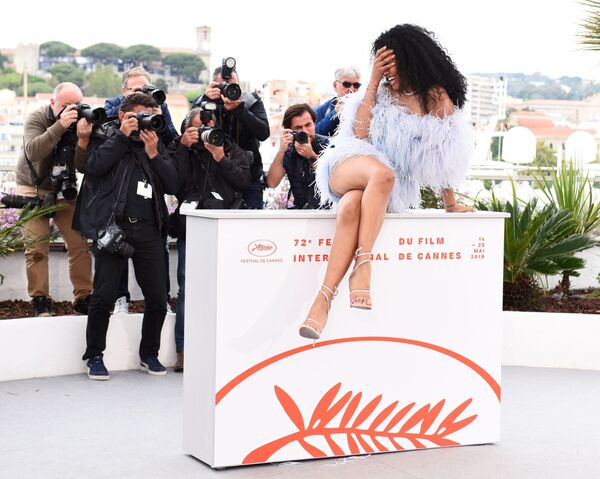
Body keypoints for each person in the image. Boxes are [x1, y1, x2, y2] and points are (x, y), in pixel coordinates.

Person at [299, 24, 475, 340]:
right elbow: (360, 134)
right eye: (383, 65)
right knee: (381, 173)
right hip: (348, 162)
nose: (389, 73)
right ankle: (363, 266)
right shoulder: (378, 92)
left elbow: (439, 155)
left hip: (380, 189)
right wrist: (374, 82)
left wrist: (451, 203)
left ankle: (321, 301)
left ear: (413, 60)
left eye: (393, 65)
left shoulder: (436, 97)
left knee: (352, 206)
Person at [74, 93, 177, 380]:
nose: (145, 120)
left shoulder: (154, 140)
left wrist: (155, 153)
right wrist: (122, 135)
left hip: (149, 230)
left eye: (149, 114)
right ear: (123, 115)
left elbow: (172, 184)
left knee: (157, 297)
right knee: (104, 296)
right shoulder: (105, 134)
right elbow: (93, 167)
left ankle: (149, 354)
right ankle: (94, 355)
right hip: (114, 229)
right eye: (139, 115)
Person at [168, 106, 252, 372]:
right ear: (187, 130)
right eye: (198, 128)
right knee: (187, 290)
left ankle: (224, 349)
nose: (205, 132)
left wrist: (220, 158)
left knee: (227, 289)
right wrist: (183, 148)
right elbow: (173, 185)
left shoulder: (227, 147)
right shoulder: (180, 148)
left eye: (209, 126)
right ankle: (184, 350)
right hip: (190, 227)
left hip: (223, 227)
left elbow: (243, 181)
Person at [14, 82, 93, 317]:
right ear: (52, 103)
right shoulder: (37, 118)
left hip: (63, 189)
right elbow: (33, 151)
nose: (71, 109)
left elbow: (82, 166)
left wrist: (83, 140)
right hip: (31, 187)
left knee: (78, 244)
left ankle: (84, 296)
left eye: (75, 105)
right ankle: (40, 299)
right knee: (36, 245)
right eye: (65, 105)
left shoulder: (82, 120)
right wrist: (60, 126)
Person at [104, 66, 177, 315]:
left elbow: (171, 140)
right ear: (124, 91)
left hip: (151, 198)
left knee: (160, 250)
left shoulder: (159, 106)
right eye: (136, 89)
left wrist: (157, 114)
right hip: (119, 202)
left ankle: (161, 298)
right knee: (117, 250)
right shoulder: (113, 107)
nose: (142, 93)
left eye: (145, 88)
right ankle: (120, 298)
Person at [193, 64, 270, 209]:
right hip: (215, 178)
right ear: (214, 87)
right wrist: (205, 100)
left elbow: (264, 133)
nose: (229, 90)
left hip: (249, 177)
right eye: (224, 86)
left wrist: (240, 110)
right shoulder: (206, 102)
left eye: (234, 86)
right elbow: (188, 129)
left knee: (252, 227)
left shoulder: (250, 102)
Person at [266, 104, 329, 209]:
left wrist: (311, 156)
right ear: (290, 130)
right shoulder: (288, 150)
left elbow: (334, 180)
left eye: (308, 125)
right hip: (300, 212)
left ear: (314, 123)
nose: (304, 131)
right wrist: (281, 151)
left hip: (326, 212)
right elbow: (272, 182)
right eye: (298, 127)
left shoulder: (327, 145)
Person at [315, 67, 361, 137]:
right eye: (346, 84)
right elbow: (316, 134)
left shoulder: (364, 107)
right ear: (335, 85)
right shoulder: (322, 109)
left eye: (356, 85)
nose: (351, 90)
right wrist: (335, 113)